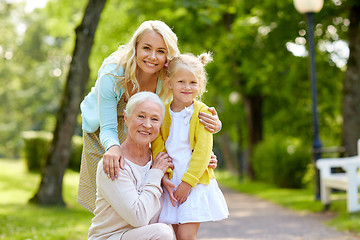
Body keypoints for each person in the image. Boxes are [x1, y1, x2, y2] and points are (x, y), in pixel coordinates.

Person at [77, 20, 222, 213]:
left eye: (161, 51)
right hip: (102, 131)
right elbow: (108, 127)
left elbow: (181, 114)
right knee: (108, 202)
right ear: (135, 46)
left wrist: (203, 145)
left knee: (142, 196)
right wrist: (112, 148)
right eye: (146, 48)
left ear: (167, 55)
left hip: (141, 128)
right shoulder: (113, 74)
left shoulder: (168, 76)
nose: (153, 57)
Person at [151, 53, 229, 240]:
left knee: (187, 236)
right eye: (181, 82)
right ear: (169, 83)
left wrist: (187, 183)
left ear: (200, 85)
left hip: (193, 182)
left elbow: (203, 151)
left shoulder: (202, 113)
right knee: (177, 235)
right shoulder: (163, 112)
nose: (187, 87)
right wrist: (164, 176)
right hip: (172, 182)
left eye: (193, 83)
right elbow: (158, 147)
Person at [88, 92, 174, 240]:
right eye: (141, 116)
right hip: (110, 237)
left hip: (140, 236)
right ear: (126, 118)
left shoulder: (160, 161)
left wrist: (207, 162)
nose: (147, 125)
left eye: (154, 119)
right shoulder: (112, 163)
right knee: (163, 233)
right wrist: (156, 173)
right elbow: (138, 217)